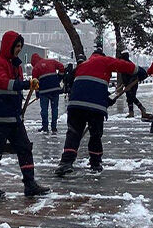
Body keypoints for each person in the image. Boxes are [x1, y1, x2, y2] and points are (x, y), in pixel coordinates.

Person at [0, 31, 49, 199]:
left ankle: (30, 184)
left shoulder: (16, 65)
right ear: (8, 46)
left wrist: (27, 85)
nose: (19, 49)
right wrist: (26, 84)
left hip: (13, 117)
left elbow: (15, 87)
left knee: (25, 148)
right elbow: (5, 83)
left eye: (20, 46)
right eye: (17, 46)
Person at [56, 48, 137, 176]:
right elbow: (122, 65)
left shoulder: (83, 65)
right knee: (95, 135)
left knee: (73, 133)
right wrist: (138, 71)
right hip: (94, 108)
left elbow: (87, 85)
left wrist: (105, 98)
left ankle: (66, 162)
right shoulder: (105, 61)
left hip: (75, 104)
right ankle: (95, 163)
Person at [30, 53, 65, 133]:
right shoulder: (51, 62)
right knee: (55, 109)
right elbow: (62, 67)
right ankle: (54, 127)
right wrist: (59, 78)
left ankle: (45, 127)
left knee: (44, 110)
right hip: (55, 89)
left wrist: (37, 94)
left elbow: (35, 83)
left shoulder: (36, 68)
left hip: (44, 91)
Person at [116, 51, 148, 119]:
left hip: (133, 83)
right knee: (129, 98)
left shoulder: (129, 65)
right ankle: (132, 112)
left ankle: (141, 109)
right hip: (127, 83)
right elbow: (123, 76)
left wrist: (130, 85)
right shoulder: (124, 64)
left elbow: (133, 75)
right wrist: (122, 85)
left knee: (132, 97)